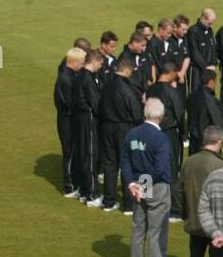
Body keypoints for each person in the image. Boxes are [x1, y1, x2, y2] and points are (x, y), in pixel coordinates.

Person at [121, 98, 176, 257]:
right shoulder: (161, 138)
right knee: (157, 232)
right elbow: (160, 167)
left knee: (138, 230)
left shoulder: (131, 134)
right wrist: (143, 184)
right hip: (155, 187)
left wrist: (131, 184)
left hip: (137, 187)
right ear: (161, 116)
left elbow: (125, 160)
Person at [181, 126, 223, 257]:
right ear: (219, 142)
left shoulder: (188, 162)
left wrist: (186, 214)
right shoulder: (220, 166)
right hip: (214, 224)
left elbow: (179, 191)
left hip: (194, 220)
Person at [99, 57, 143, 215]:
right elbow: (136, 113)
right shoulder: (127, 89)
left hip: (106, 127)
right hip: (123, 128)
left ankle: (109, 201)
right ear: (127, 70)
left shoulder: (106, 85)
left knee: (110, 164)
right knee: (126, 164)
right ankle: (128, 204)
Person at [146, 61, 186, 222]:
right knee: (172, 169)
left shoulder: (150, 89)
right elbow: (179, 113)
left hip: (151, 131)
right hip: (169, 134)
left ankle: (147, 203)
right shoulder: (172, 91)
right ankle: (174, 210)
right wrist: (183, 134)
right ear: (170, 73)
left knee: (149, 166)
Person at [73, 50, 104, 205]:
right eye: (100, 63)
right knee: (91, 155)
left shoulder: (79, 76)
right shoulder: (88, 78)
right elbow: (96, 103)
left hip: (80, 119)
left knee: (84, 154)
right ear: (95, 61)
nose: (101, 66)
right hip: (89, 120)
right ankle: (92, 194)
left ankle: (85, 191)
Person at [55, 47, 86, 198]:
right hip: (67, 121)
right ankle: (68, 186)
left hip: (70, 119)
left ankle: (74, 181)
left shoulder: (69, 76)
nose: (83, 65)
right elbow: (67, 104)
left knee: (73, 151)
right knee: (69, 152)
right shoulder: (65, 79)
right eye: (81, 62)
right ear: (73, 62)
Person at [186, 69, 223, 155]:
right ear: (211, 82)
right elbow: (216, 119)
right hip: (208, 141)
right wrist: (222, 138)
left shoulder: (191, 96)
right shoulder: (210, 99)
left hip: (193, 140)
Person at [186, 9, 218, 94]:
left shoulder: (209, 30)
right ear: (203, 18)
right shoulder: (193, 31)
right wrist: (205, 67)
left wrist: (214, 63)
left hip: (209, 69)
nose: (211, 25)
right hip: (197, 69)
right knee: (196, 94)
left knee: (208, 94)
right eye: (209, 23)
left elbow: (213, 47)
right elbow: (194, 52)